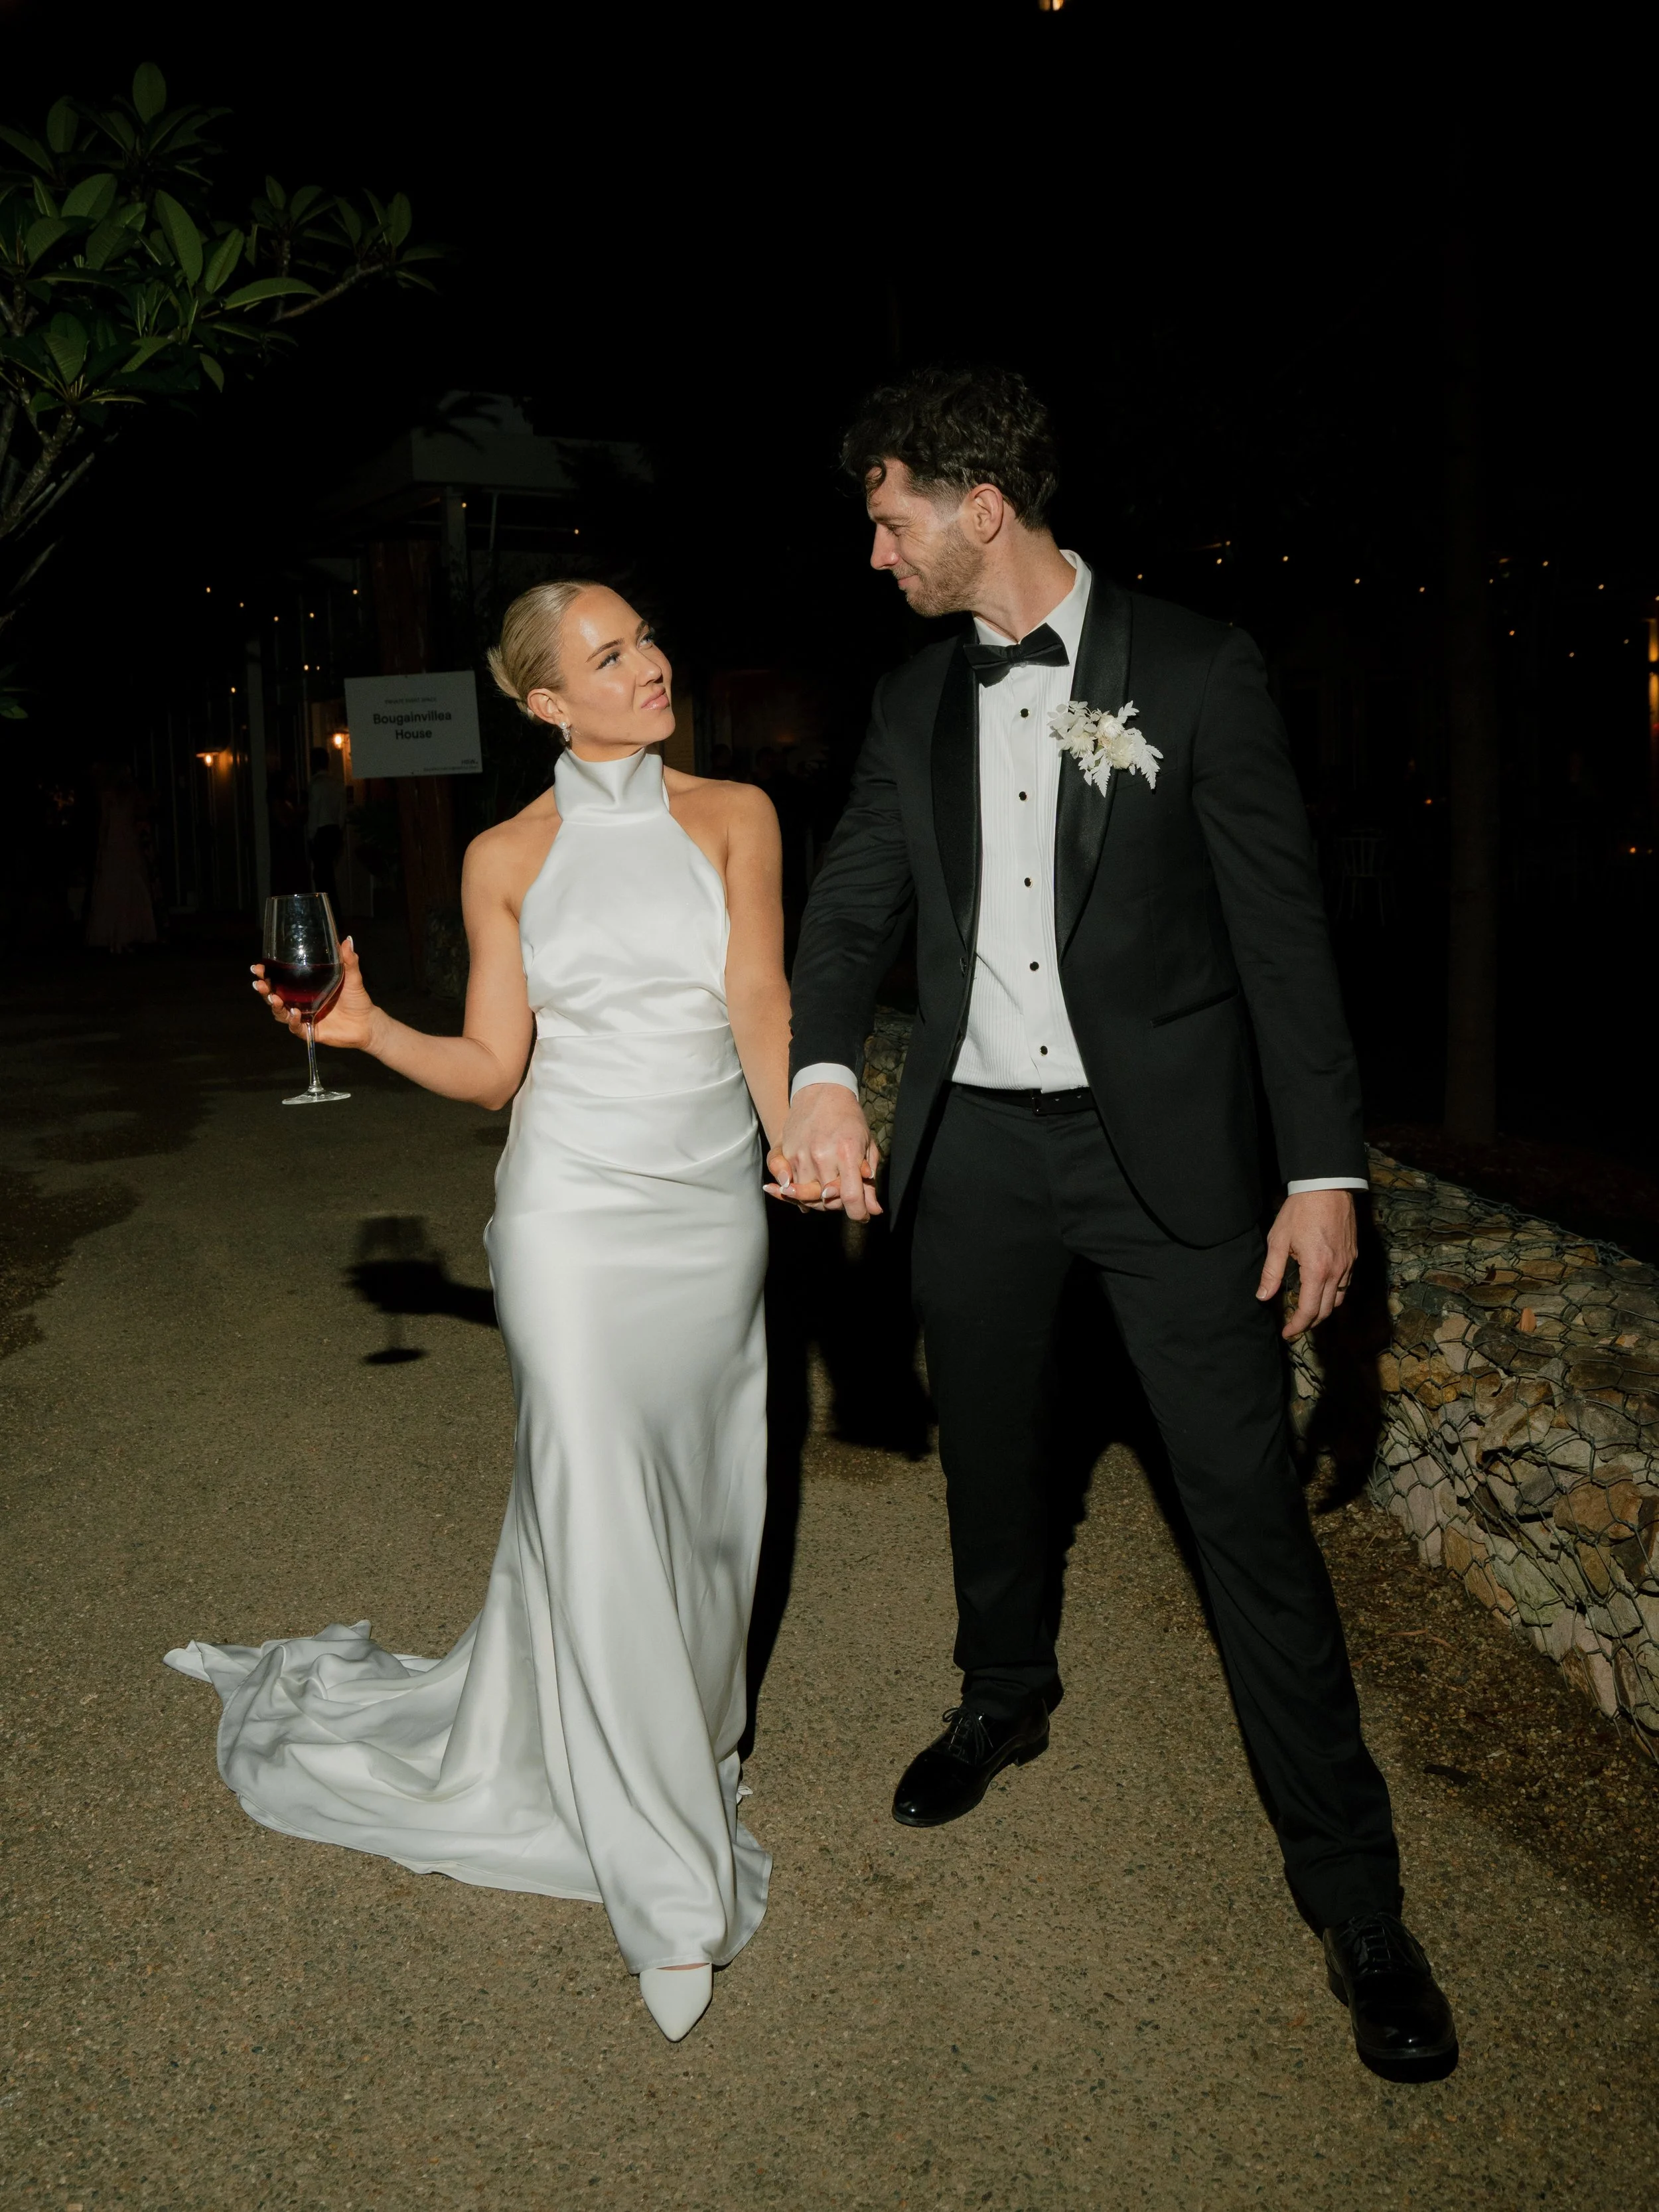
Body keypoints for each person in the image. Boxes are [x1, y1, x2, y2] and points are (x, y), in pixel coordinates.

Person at [773, 366, 1457, 2083]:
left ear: (976, 508)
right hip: (977, 1157)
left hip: (1170, 1168)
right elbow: (854, 896)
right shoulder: (911, 694)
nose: (873, 551)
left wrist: (1321, 1170)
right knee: (991, 1453)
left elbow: (1284, 941)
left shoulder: (1198, 667)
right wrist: (817, 1072)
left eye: (886, 513)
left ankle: (1354, 1897)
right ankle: (1001, 1689)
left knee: (1246, 1519)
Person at [167, 581, 790, 2043]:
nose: (650, 663)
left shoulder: (735, 814)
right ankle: (660, 1878)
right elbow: (499, 1068)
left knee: (700, 1500)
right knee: (590, 1485)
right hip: (569, 1213)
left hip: (708, 1212)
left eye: (647, 636)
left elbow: (757, 993)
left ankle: (681, 1739)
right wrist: (367, 1026)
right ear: (543, 704)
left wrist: (796, 1132)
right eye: (610, 654)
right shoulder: (507, 855)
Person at [83, 763, 157, 952]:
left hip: (121, 846)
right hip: (120, 845)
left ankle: (121, 936)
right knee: (122, 888)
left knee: (121, 888)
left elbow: (109, 825)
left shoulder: (124, 795)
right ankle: (120, 936)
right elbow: (108, 824)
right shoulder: (118, 796)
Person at [306, 745, 348, 903]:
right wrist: (339, 832)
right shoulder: (337, 784)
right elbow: (342, 813)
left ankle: (328, 913)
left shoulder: (316, 785)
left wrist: (311, 836)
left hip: (321, 834)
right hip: (334, 831)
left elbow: (314, 813)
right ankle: (333, 913)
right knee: (328, 875)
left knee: (322, 877)